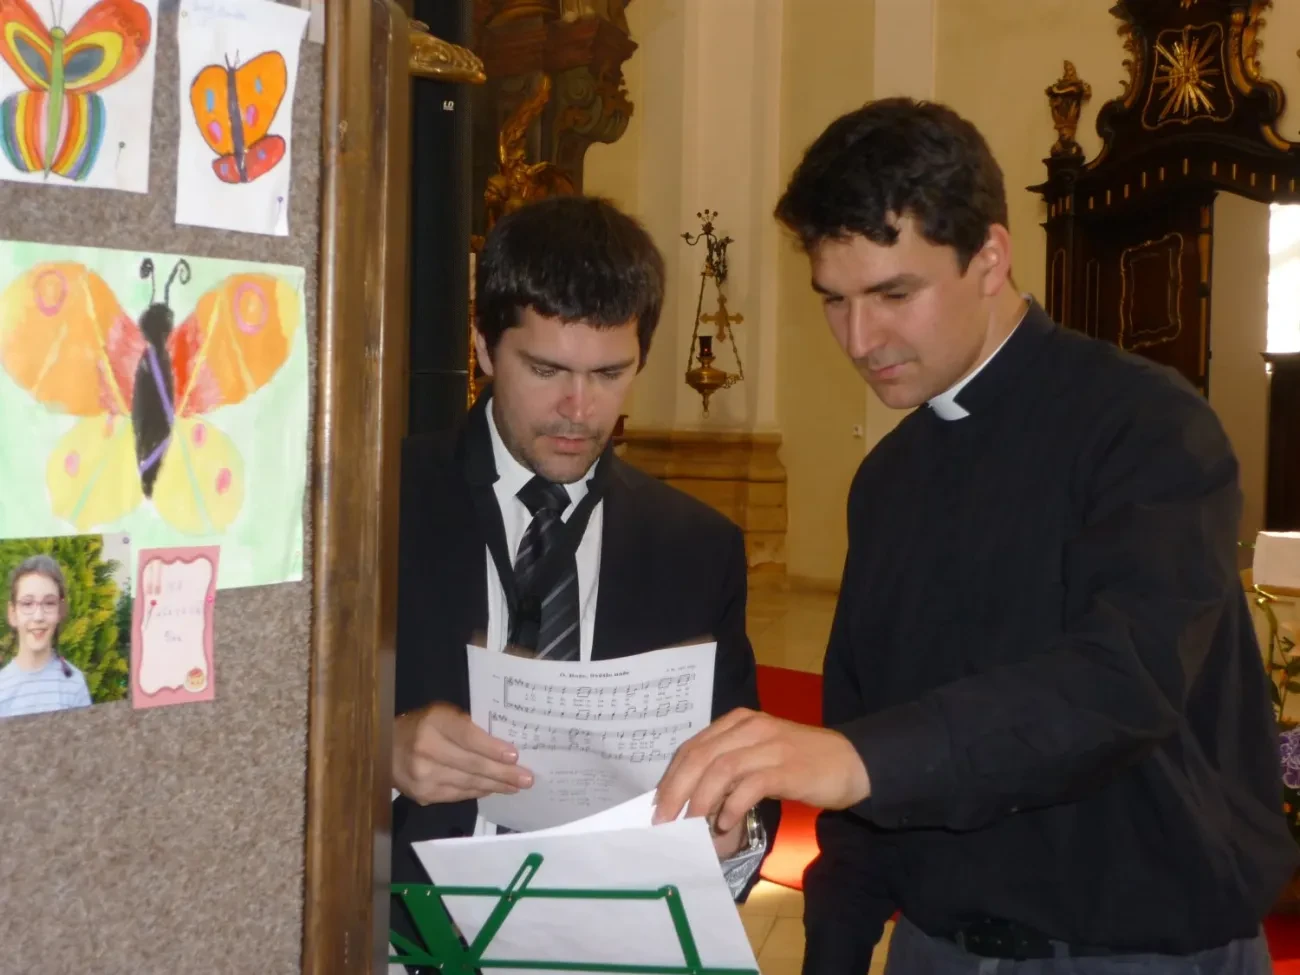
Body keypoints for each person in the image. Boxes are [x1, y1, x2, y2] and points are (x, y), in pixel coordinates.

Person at [652, 97, 1297, 973]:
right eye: (835, 301)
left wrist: (857, 757)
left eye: (893, 293)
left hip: (1139, 950)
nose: (859, 337)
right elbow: (867, 737)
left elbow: (1121, 682)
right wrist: (834, 948)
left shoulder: (1147, 426)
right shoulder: (888, 479)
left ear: (991, 257)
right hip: (938, 948)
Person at [389, 195, 778, 965]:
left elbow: (743, 775)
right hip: (401, 940)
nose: (577, 407)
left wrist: (732, 834)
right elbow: (255, 722)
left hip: (605, 946)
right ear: (482, 345)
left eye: (609, 373)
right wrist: (378, 750)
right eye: (545, 370)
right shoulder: (375, 504)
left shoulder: (697, 548)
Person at [0, 554, 92, 719]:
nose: (38, 616)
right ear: (12, 613)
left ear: (60, 611)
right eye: (27, 603)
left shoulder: (74, 684)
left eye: (49, 603)